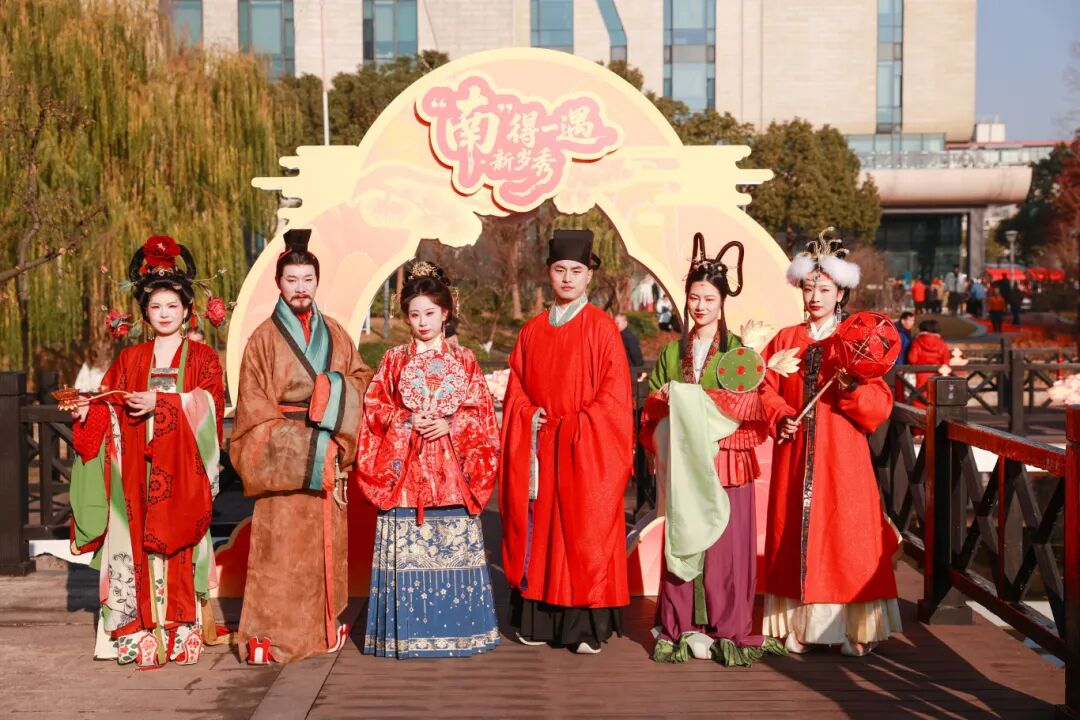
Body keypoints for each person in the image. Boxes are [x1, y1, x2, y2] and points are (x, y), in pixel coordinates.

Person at [69, 235, 224, 667]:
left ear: (188, 310)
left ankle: (182, 624)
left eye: (173, 306)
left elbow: (211, 405)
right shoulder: (130, 358)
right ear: (145, 313)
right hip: (136, 468)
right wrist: (89, 410)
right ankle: (136, 627)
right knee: (133, 538)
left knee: (181, 539)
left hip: (183, 470)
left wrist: (165, 403)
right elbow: (109, 402)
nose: (165, 313)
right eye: (156, 307)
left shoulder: (204, 358)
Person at [640, 234, 785, 666]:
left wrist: (777, 414)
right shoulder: (672, 353)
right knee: (685, 539)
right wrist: (664, 398)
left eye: (708, 298)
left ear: (723, 302)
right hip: (687, 463)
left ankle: (726, 624)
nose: (700, 306)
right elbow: (652, 406)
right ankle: (684, 623)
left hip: (726, 458)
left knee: (726, 546)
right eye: (694, 298)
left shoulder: (740, 351)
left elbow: (757, 398)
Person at [230, 228, 373, 664]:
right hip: (287, 460)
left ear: (316, 282)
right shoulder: (262, 339)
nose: (300, 288)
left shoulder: (336, 333)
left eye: (307, 280)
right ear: (279, 283)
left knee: (322, 551)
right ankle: (271, 636)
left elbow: (362, 379)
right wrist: (309, 449)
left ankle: (322, 629)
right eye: (292, 280)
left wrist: (332, 393)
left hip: (328, 451)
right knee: (280, 554)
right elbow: (253, 412)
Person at [759, 229, 900, 658]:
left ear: (841, 293)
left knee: (846, 537)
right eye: (808, 288)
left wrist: (852, 387)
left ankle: (856, 627)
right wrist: (780, 416)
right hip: (795, 455)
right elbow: (764, 387)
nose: (815, 297)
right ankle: (800, 626)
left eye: (824, 289)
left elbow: (879, 407)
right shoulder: (785, 340)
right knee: (795, 535)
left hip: (843, 457)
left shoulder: (856, 343)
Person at [353, 260, 500, 659]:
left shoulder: (465, 359)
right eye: (414, 314)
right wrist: (405, 419)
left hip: (452, 470)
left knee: (454, 544)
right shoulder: (393, 360)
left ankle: (464, 633)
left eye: (430, 313)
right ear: (406, 316)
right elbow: (374, 408)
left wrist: (452, 423)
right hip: (406, 471)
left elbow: (482, 415)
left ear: (445, 313)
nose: (422, 322)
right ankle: (404, 635)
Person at [500, 228, 634, 654]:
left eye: (576, 271)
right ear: (548, 273)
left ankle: (583, 627)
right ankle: (539, 621)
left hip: (583, 448)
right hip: (541, 445)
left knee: (582, 530)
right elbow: (516, 388)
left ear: (589, 275)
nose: (568, 278)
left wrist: (575, 426)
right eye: (560, 270)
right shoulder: (531, 331)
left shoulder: (602, 329)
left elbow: (615, 398)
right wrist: (528, 414)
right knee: (542, 533)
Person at [907, 319, 951, 408]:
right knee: (934, 396)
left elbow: (912, 359)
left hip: (920, 374)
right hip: (937, 374)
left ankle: (920, 412)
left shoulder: (917, 341)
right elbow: (946, 360)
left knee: (919, 396)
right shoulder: (941, 343)